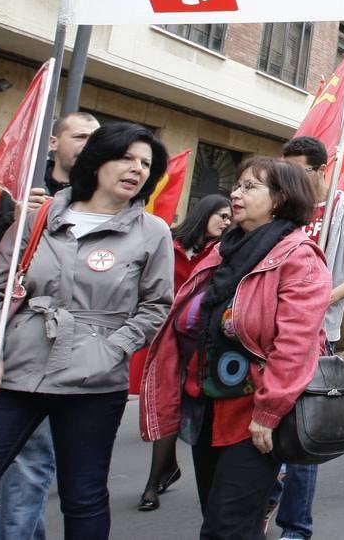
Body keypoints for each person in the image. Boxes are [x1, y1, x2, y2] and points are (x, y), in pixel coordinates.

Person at [0, 121, 173, 540]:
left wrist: (110, 350)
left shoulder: (152, 232)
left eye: (146, 163)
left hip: (94, 384)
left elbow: (155, 306)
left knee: (83, 495)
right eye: (126, 157)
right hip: (15, 374)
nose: (137, 169)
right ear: (98, 160)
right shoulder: (38, 217)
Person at [140, 157, 331, 539]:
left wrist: (269, 410)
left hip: (254, 416)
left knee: (225, 529)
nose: (236, 193)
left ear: (279, 199)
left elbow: (296, 344)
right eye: (237, 185)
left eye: (249, 187)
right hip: (206, 408)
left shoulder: (298, 256)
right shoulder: (222, 251)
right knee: (222, 518)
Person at [0, 111, 99, 540]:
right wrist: (12, 217)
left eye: (96, 138)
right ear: (53, 142)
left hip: (50, 355)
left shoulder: (97, 206)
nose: (88, 145)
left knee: (31, 465)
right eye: (80, 135)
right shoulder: (17, 195)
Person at [274, 136, 344, 540]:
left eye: (296, 173)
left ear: (321, 171)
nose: (287, 182)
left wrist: (327, 295)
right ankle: (264, 497)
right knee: (263, 428)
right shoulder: (283, 209)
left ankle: (295, 526)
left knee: (300, 435)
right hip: (270, 334)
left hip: (318, 335)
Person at [137, 193, 232, 512]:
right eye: (221, 214)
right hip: (165, 337)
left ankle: (161, 476)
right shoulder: (169, 241)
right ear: (203, 213)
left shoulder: (224, 252)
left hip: (199, 343)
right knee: (166, 405)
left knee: (180, 409)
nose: (226, 221)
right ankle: (156, 478)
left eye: (229, 217)